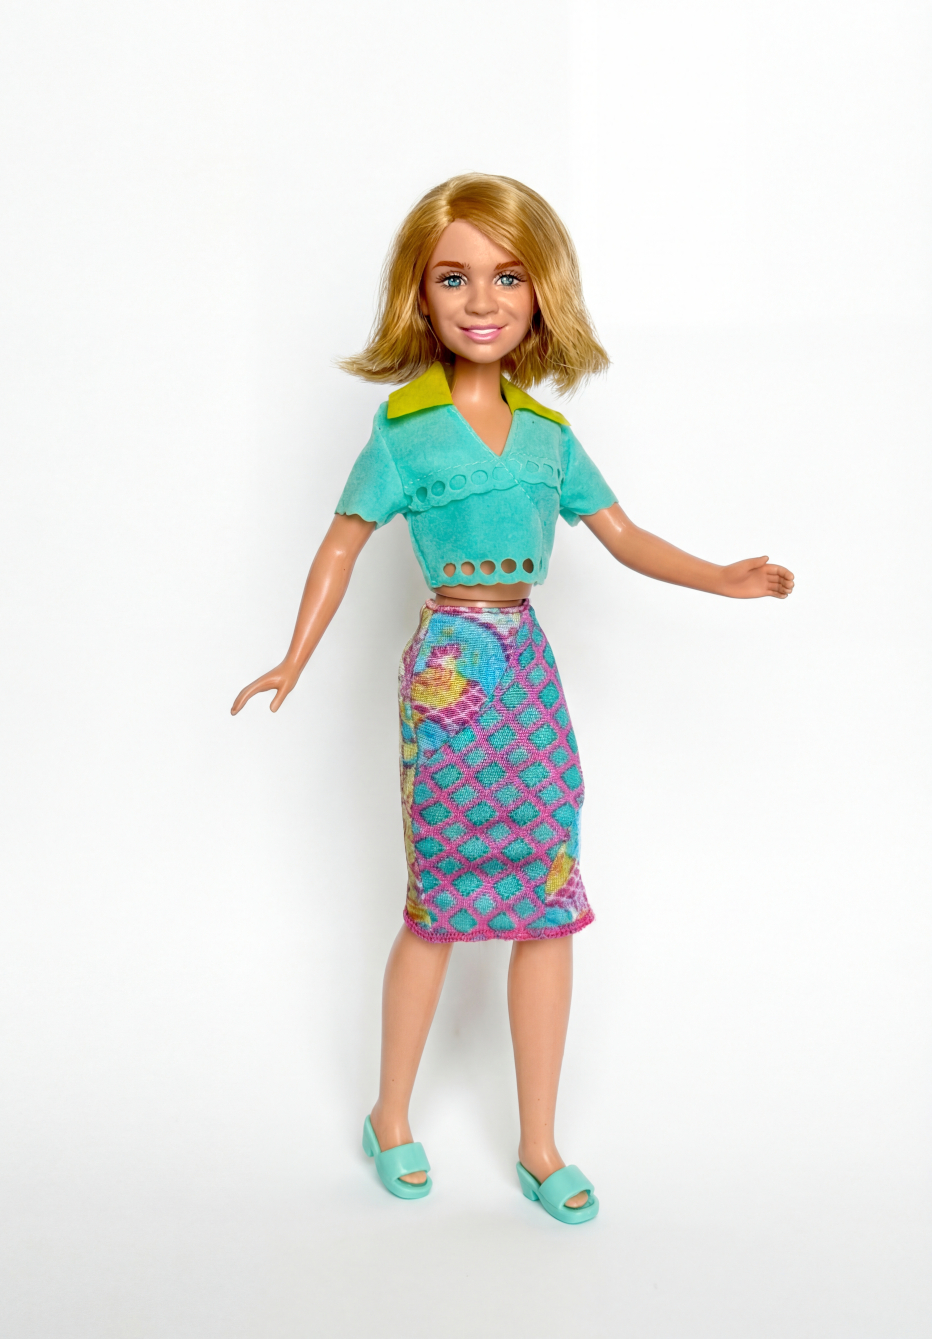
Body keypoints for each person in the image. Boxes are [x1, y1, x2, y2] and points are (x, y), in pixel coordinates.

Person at [231, 174, 794, 1224]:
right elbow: (342, 542)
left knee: (549, 895)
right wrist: (294, 656)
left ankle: (539, 1142)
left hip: (527, 672)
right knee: (437, 902)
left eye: (508, 276)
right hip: (449, 670)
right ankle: (390, 1114)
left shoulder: (547, 436)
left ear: (542, 295)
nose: (481, 299)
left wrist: (719, 575)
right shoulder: (404, 430)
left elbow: (621, 535)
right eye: (454, 277)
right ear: (420, 293)